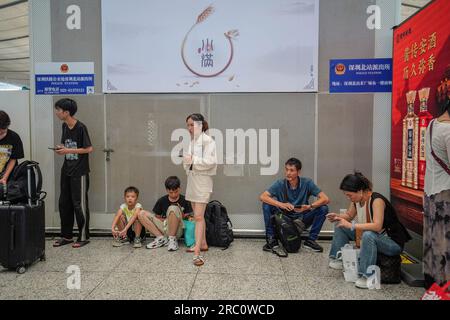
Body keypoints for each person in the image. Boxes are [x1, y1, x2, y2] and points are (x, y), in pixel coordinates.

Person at [327, 172, 411, 289]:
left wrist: (352, 225)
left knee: (368, 235)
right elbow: (349, 215)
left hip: (392, 243)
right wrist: (337, 217)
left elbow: (377, 226)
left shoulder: (377, 200)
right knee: (340, 226)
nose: (348, 198)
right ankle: (338, 258)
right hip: (374, 236)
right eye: (346, 195)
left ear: (360, 191)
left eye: (350, 195)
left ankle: (367, 276)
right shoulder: (356, 200)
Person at [260, 158, 329, 253]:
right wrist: (281, 204)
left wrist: (310, 206)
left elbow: (325, 199)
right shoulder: (280, 184)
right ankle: (271, 240)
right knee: (266, 204)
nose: (288, 173)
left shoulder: (307, 183)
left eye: (291, 170)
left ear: (298, 172)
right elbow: (263, 196)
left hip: (301, 220)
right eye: (286, 169)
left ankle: (311, 241)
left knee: (323, 208)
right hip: (284, 220)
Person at [52, 98, 93, 248]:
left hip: (79, 171)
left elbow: (89, 149)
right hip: (67, 169)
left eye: (58, 110)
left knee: (79, 204)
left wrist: (68, 150)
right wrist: (61, 148)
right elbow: (66, 144)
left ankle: (83, 236)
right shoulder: (64, 126)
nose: (56, 112)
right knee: (64, 203)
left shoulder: (81, 127)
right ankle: (67, 236)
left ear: (66, 112)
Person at [423, 79, 450, 289]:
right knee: (445, 243)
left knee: (432, 240)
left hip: (430, 191)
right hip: (446, 193)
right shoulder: (448, 131)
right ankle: (444, 287)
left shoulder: (433, 125)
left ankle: (431, 285)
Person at [183, 114, 217, 266]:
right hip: (192, 181)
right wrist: (187, 162)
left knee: (198, 216)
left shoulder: (208, 141)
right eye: (188, 125)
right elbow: (188, 163)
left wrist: (193, 160)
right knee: (197, 216)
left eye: (191, 125)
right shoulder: (192, 141)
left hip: (203, 182)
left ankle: (197, 251)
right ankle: (202, 243)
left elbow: (211, 162)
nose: (189, 128)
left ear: (200, 125)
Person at [139, 176, 193, 251]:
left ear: (179, 189)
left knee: (173, 208)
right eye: (171, 192)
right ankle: (161, 239)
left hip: (178, 229)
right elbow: (157, 216)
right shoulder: (162, 200)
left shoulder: (185, 200)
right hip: (164, 227)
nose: (173, 195)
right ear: (167, 190)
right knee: (141, 213)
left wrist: (179, 215)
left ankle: (172, 240)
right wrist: (167, 220)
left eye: (176, 192)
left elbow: (188, 219)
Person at [0, 110, 24, 188]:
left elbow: (13, 159)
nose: (0, 135)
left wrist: (4, 178)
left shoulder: (14, 137)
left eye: (2, 132)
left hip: (8, 178)